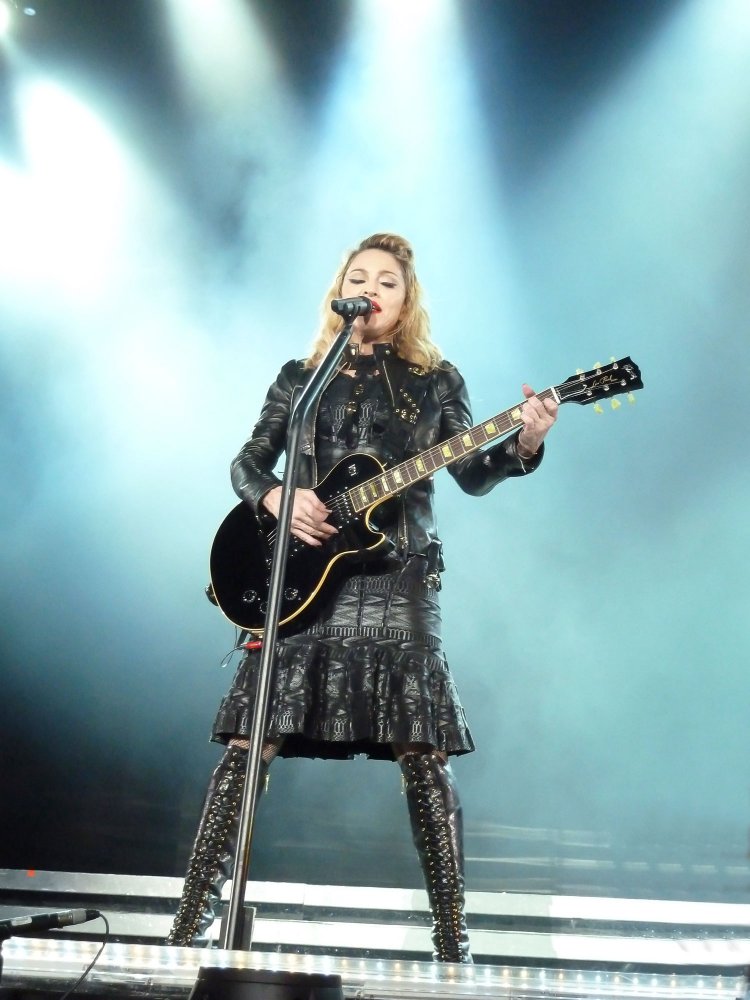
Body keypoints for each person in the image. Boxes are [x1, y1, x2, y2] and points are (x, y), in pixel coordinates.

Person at [167, 233, 558, 962]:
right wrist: (278, 495)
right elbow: (247, 462)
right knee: (251, 741)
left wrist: (526, 442)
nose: (370, 289)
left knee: (423, 748)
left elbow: (474, 474)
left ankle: (452, 938)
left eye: (386, 281)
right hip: (304, 575)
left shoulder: (436, 381)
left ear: (406, 301)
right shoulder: (300, 378)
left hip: (396, 580)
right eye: (358, 277)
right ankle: (188, 924)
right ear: (339, 292)